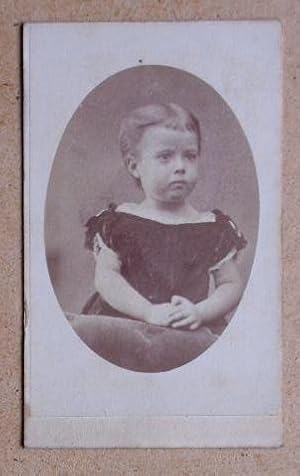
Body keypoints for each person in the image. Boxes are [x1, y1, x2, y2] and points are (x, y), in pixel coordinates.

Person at [69, 103, 247, 372]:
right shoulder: (120, 222)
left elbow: (231, 284)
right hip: (125, 326)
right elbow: (106, 278)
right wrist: (148, 312)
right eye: (165, 157)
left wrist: (200, 312)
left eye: (190, 156)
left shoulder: (211, 227)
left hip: (182, 333)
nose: (180, 167)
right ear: (134, 166)